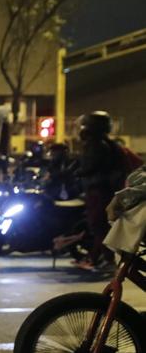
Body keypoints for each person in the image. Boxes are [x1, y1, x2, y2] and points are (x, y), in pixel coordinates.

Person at [76, 111, 124, 270]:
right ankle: (96, 257)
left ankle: (107, 259)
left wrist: (76, 172)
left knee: (99, 225)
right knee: (99, 226)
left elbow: (89, 167)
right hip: (102, 190)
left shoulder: (97, 145)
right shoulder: (107, 143)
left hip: (98, 191)